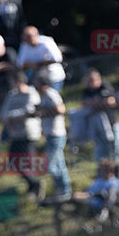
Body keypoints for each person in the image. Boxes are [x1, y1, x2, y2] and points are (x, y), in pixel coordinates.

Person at [0, 72, 44, 201]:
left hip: (29, 135)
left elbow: (29, 112)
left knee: (28, 163)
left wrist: (11, 118)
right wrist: (11, 118)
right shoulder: (12, 95)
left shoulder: (31, 94)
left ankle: (34, 188)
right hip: (15, 135)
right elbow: (3, 114)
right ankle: (34, 184)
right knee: (14, 162)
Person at [33, 72, 72, 202]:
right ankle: (63, 192)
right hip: (51, 135)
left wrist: (42, 109)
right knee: (59, 164)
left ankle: (64, 191)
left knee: (52, 165)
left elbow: (61, 109)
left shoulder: (50, 93)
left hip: (56, 134)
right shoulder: (45, 95)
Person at [81, 68, 119, 162]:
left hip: (112, 124)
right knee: (100, 155)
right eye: (88, 81)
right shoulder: (87, 91)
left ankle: (117, 173)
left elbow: (110, 101)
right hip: (98, 129)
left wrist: (94, 104)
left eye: (92, 80)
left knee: (114, 153)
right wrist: (100, 103)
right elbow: (84, 103)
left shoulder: (105, 86)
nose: (90, 83)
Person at [17, 26, 65, 92]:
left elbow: (57, 58)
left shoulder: (47, 42)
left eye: (28, 36)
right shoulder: (24, 46)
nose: (26, 39)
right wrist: (30, 65)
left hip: (53, 77)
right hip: (37, 80)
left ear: (36, 35)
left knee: (53, 99)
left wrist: (39, 64)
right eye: (25, 36)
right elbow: (20, 64)